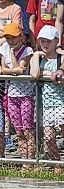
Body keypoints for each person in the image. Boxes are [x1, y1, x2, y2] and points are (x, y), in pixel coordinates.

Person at [0, 22, 34, 164]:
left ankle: (31, 160)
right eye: (8, 38)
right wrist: (13, 71)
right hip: (11, 95)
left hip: (26, 95)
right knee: (19, 131)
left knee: (28, 130)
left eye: (13, 37)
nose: (10, 41)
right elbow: (2, 69)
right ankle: (24, 160)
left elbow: (19, 69)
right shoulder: (3, 48)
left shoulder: (28, 51)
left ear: (20, 36)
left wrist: (13, 54)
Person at [30, 25, 62, 172]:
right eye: (42, 41)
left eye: (48, 41)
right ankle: (58, 165)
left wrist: (50, 73)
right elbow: (35, 74)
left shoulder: (61, 57)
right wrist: (36, 56)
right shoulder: (38, 58)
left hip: (61, 103)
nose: (45, 44)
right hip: (47, 104)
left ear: (56, 41)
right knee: (49, 138)